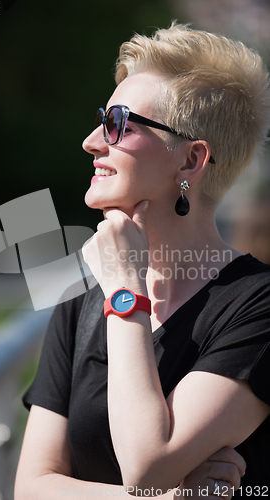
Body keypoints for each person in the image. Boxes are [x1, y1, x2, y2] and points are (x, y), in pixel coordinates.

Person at [15, 23, 270, 499]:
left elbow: (147, 465)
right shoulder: (81, 299)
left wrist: (123, 293)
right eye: (100, 120)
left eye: (117, 124)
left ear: (192, 161)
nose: (92, 141)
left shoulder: (257, 306)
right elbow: (31, 486)